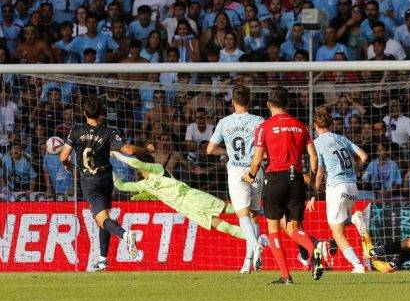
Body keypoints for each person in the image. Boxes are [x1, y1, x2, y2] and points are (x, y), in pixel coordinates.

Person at [59, 96, 155, 272]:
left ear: (84, 112)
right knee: (104, 217)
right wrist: (146, 150)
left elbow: (63, 156)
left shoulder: (76, 131)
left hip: (89, 181)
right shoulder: (109, 132)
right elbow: (129, 150)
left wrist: (66, 163)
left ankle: (126, 235)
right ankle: (103, 259)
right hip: (106, 178)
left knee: (101, 219)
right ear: (101, 112)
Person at [242, 85, 323, 284]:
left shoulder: (264, 127)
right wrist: (312, 183)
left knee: (274, 229)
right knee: (294, 228)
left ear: (268, 104)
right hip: (296, 180)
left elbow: (257, 159)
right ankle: (313, 248)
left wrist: (250, 176)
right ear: (288, 104)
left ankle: (286, 276)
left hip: (275, 179)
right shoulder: (300, 126)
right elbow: (314, 158)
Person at [111, 152, 251, 244]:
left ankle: (256, 211)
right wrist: (107, 168)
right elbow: (121, 186)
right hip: (184, 208)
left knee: (228, 209)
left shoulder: (158, 169)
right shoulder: (144, 185)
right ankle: (253, 238)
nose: (137, 168)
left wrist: (118, 156)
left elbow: (137, 163)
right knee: (222, 227)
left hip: (190, 196)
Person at [206, 85, 268, 274]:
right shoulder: (259, 121)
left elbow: (210, 149)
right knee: (254, 215)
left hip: (237, 171)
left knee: (242, 215)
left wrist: (228, 152)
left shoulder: (224, 122)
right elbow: (266, 148)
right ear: (249, 101)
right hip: (256, 170)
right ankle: (248, 262)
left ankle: (255, 245)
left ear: (233, 102)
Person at [312, 107, 370, 274]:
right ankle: (355, 218)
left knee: (337, 233)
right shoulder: (342, 138)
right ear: (331, 124)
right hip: (352, 186)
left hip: (336, 187)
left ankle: (358, 265)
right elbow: (364, 156)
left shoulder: (317, 143)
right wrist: (355, 172)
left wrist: (314, 193)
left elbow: (320, 172)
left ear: (315, 126)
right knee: (341, 223)